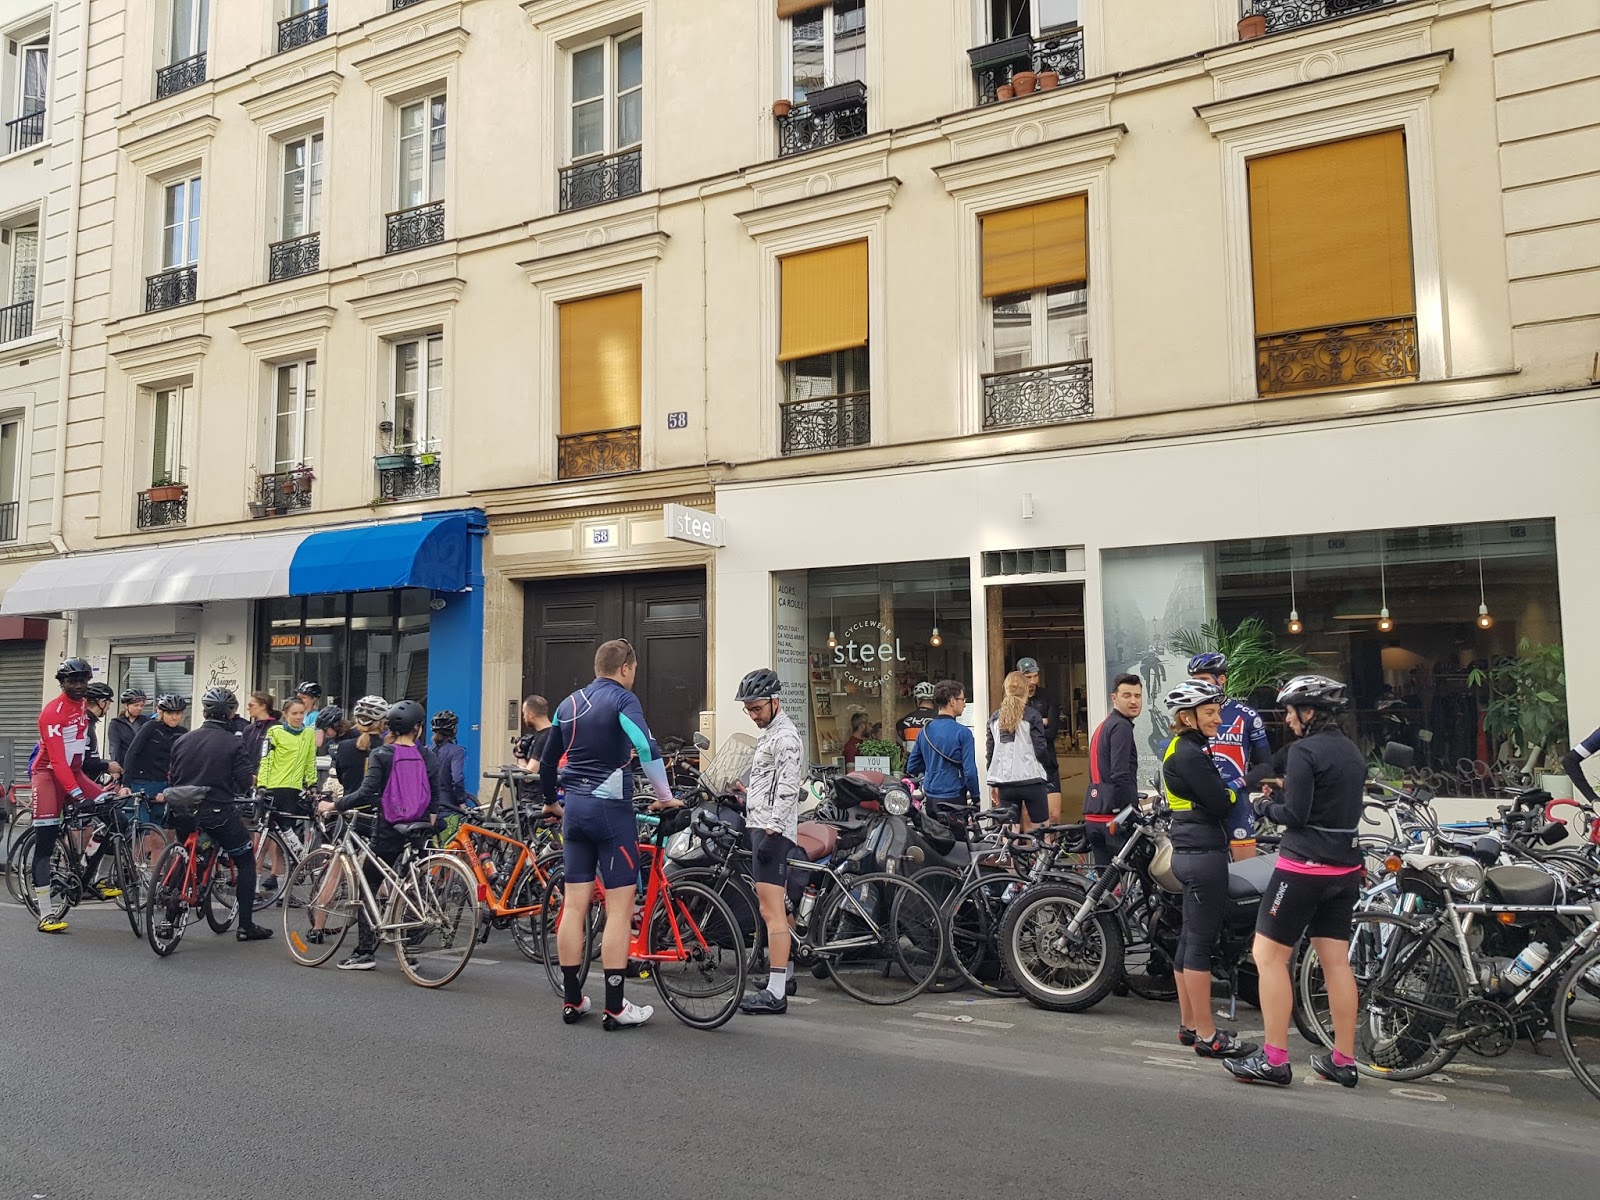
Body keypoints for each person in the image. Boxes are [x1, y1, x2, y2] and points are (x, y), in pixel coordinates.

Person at [1224, 676, 1366, 1089]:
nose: (1287, 719)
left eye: (1291, 711)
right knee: (1336, 964)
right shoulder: (1351, 752)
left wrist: (1264, 803)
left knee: (1267, 956)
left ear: (1310, 712)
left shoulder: (1305, 751)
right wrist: (1288, 788)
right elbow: (1329, 798)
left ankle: (1274, 1060)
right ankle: (1343, 1059)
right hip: (1344, 871)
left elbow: (1297, 815)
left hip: (1302, 870)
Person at [539, 638, 682, 1030]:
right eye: (633, 671)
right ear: (625, 668)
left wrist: (552, 801)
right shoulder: (622, 700)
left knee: (574, 905)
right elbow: (646, 747)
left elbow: (549, 760)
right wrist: (666, 797)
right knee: (619, 910)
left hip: (574, 812)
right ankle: (616, 1007)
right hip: (610, 812)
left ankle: (572, 1001)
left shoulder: (568, 704)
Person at [1161, 680, 1256, 1060]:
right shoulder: (1189, 754)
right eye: (1210, 713)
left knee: (1188, 941)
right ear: (1188, 717)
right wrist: (1236, 789)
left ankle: (1189, 1025)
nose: (1219, 718)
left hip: (1189, 851)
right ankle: (1207, 1033)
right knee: (1200, 944)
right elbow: (1220, 802)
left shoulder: (1182, 748)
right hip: (1203, 854)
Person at [315, 700, 443, 970]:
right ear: (417, 729)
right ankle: (407, 950)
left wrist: (334, 805)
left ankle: (364, 952)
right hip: (419, 827)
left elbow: (367, 791)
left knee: (368, 884)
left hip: (389, 827)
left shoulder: (383, 754)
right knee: (408, 885)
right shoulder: (427, 755)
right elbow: (435, 793)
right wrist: (430, 821)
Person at [164, 687, 274, 942]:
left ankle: (168, 918)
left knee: (186, 855)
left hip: (182, 810)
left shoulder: (183, 739)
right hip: (217, 811)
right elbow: (245, 780)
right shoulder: (234, 741)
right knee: (245, 860)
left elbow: (173, 775)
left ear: (204, 712)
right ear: (231, 714)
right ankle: (246, 925)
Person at [734, 668, 804, 1016]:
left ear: (775, 702)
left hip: (771, 831)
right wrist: (747, 794)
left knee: (770, 911)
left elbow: (790, 788)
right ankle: (785, 975)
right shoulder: (771, 733)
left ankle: (776, 994)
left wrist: (773, 830)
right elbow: (772, 782)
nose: (752, 715)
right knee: (782, 909)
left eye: (757, 708)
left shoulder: (786, 737)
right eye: (748, 709)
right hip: (762, 823)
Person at [28, 659, 117, 931]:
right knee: (46, 843)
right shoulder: (52, 713)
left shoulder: (82, 706)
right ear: (62, 682)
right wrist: (78, 795)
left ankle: (89, 873)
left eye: (83, 681)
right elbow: (57, 761)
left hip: (74, 773)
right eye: (72, 681)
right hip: (48, 776)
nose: (78, 686)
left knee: (114, 814)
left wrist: (92, 790)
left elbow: (76, 760)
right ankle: (46, 914)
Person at [1187, 652, 1272, 860]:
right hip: (1202, 803)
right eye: (1194, 681)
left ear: (1222, 679)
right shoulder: (1190, 716)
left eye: (1204, 680)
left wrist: (1237, 783)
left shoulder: (1246, 716)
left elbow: (1266, 765)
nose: (1198, 685)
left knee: (1246, 872)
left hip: (1237, 803)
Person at [1085, 673, 1143, 865]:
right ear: (1114, 698)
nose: (1133, 701)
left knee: (1106, 890)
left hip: (1094, 815)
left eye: (1138, 695)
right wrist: (1132, 812)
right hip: (1114, 818)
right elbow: (1119, 774)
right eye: (1127, 695)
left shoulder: (1104, 725)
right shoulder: (1121, 727)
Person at [985, 671, 1053, 831]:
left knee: (1010, 833)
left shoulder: (994, 718)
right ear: (1025, 690)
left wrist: (993, 780)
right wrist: (1048, 769)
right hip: (1032, 780)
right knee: (1041, 830)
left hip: (1005, 783)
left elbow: (990, 752)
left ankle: (1011, 857)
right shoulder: (1032, 715)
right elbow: (1041, 749)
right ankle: (1040, 856)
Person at [907, 680, 981, 811]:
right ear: (952, 701)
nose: (964, 704)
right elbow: (969, 772)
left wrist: (932, 769)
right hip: (954, 796)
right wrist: (976, 798)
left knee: (933, 831)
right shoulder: (963, 733)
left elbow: (912, 766)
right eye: (963, 699)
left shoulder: (924, 731)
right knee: (956, 832)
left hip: (931, 796)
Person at [123, 694, 189, 825]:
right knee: (141, 826)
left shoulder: (182, 733)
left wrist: (169, 789)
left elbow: (180, 763)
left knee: (158, 827)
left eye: (178, 713)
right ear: (162, 712)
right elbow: (132, 753)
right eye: (170, 713)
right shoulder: (150, 727)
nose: (174, 717)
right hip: (140, 782)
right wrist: (125, 784)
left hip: (163, 784)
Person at [1017, 658, 1063, 823]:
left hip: (1047, 760)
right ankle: (1032, 848)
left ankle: (1053, 848)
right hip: (1025, 762)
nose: (1033, 681)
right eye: (1028, 677)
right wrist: (1041, 721)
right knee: (1029, 817)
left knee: (1054, 815)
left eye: (1035, 676)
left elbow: (1052, 732)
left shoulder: (1048, 696)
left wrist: (1027, 724)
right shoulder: (1015, 701)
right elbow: (1016, 734)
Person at [259, 697, 317, 816]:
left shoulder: (309, 733)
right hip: (273, 786)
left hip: (294, 789)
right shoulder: (275, 731)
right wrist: (262, 785)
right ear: (285, 714)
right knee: (268, 828)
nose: (299, 717)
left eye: (302, 713)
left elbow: (310, 761)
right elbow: (266, 760)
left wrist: (312, 784)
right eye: (294, 713)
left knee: (288, 828)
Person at [336, 695, 389, 794]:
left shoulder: (344, 746)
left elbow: (342, 780)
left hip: (348, 805)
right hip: (377, 806)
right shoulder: (388, 749)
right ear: (383, 722)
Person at [514, 694, 554, 805]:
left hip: (535, 799)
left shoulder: (544, 738)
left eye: (524, 714)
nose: (523, 718)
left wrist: (513, 769)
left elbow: (529, 774)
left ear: (531, 715)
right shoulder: (548, 734)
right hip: (531, 797)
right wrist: (520, 755)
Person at [430, 710, 474, 809]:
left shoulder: (426, 750)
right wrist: (462, 801)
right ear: (454, 730)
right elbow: (457, 779)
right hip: (447, 804)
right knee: (453, 824)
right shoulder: (456, 751)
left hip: (427, 804)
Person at [108, 689, 151, 766]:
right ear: (126, 705)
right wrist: (115, 765)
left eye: (142, 705)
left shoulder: (147, 721)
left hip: (146, 766)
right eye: (136, 705)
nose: (139, 708)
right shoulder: (116, 724)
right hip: (125, 765)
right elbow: (114, 747)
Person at [895, 682, 939, 756]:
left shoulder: (904, 721)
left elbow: (904, 749)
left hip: (913, 763)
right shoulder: (940, 719)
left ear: (917, 700)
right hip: (933, 763)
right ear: (934, 700)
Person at [241, 691, 278, 772]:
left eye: (251, 705)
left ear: (263, 706)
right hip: (250, 777)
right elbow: (243, 755)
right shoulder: (248, 729)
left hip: (271, 777)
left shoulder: (277, 727)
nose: (248, 708)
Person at [295, 681, 325, 749]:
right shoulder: (301, 714)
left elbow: (318, 742)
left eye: (303, 698)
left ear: (313, 699)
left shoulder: (316, 716)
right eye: (298, 698)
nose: (300, 700)